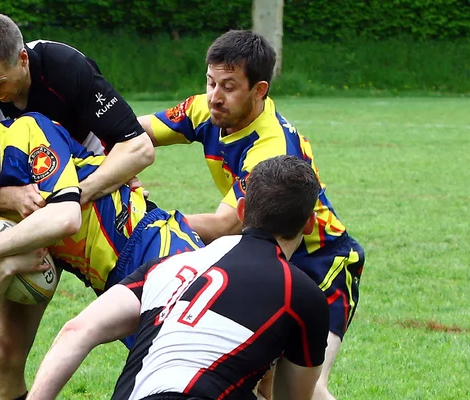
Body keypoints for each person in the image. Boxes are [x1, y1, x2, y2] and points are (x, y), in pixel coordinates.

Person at [0, 112, 203, 400]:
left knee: (209, 361)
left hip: (155, 242)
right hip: (115, 286)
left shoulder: (27, 132)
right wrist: (6, 267)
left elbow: (65, 217)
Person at [137, 30, 364, 400]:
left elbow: (225, 224)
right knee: (261, 379)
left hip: (321, 260)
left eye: (228, 86)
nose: (214, 96)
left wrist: (146, 223)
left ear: (259, 90)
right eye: (210, 82)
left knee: (306, 387)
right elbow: (133, 133)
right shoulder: (205, 108)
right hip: (265, 255)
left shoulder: (270, 147)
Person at [26, 155, 330, 400]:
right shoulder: (300, 294)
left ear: (241, 209)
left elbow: (76, 331)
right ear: (308, 224)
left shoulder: (165, 266)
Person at [0, 13, 154, 218]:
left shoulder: (65, 67)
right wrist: (10, 198)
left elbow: (139, 147)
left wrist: (70, 198)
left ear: (23, 59)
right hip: (23, 189)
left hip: (86, 167)